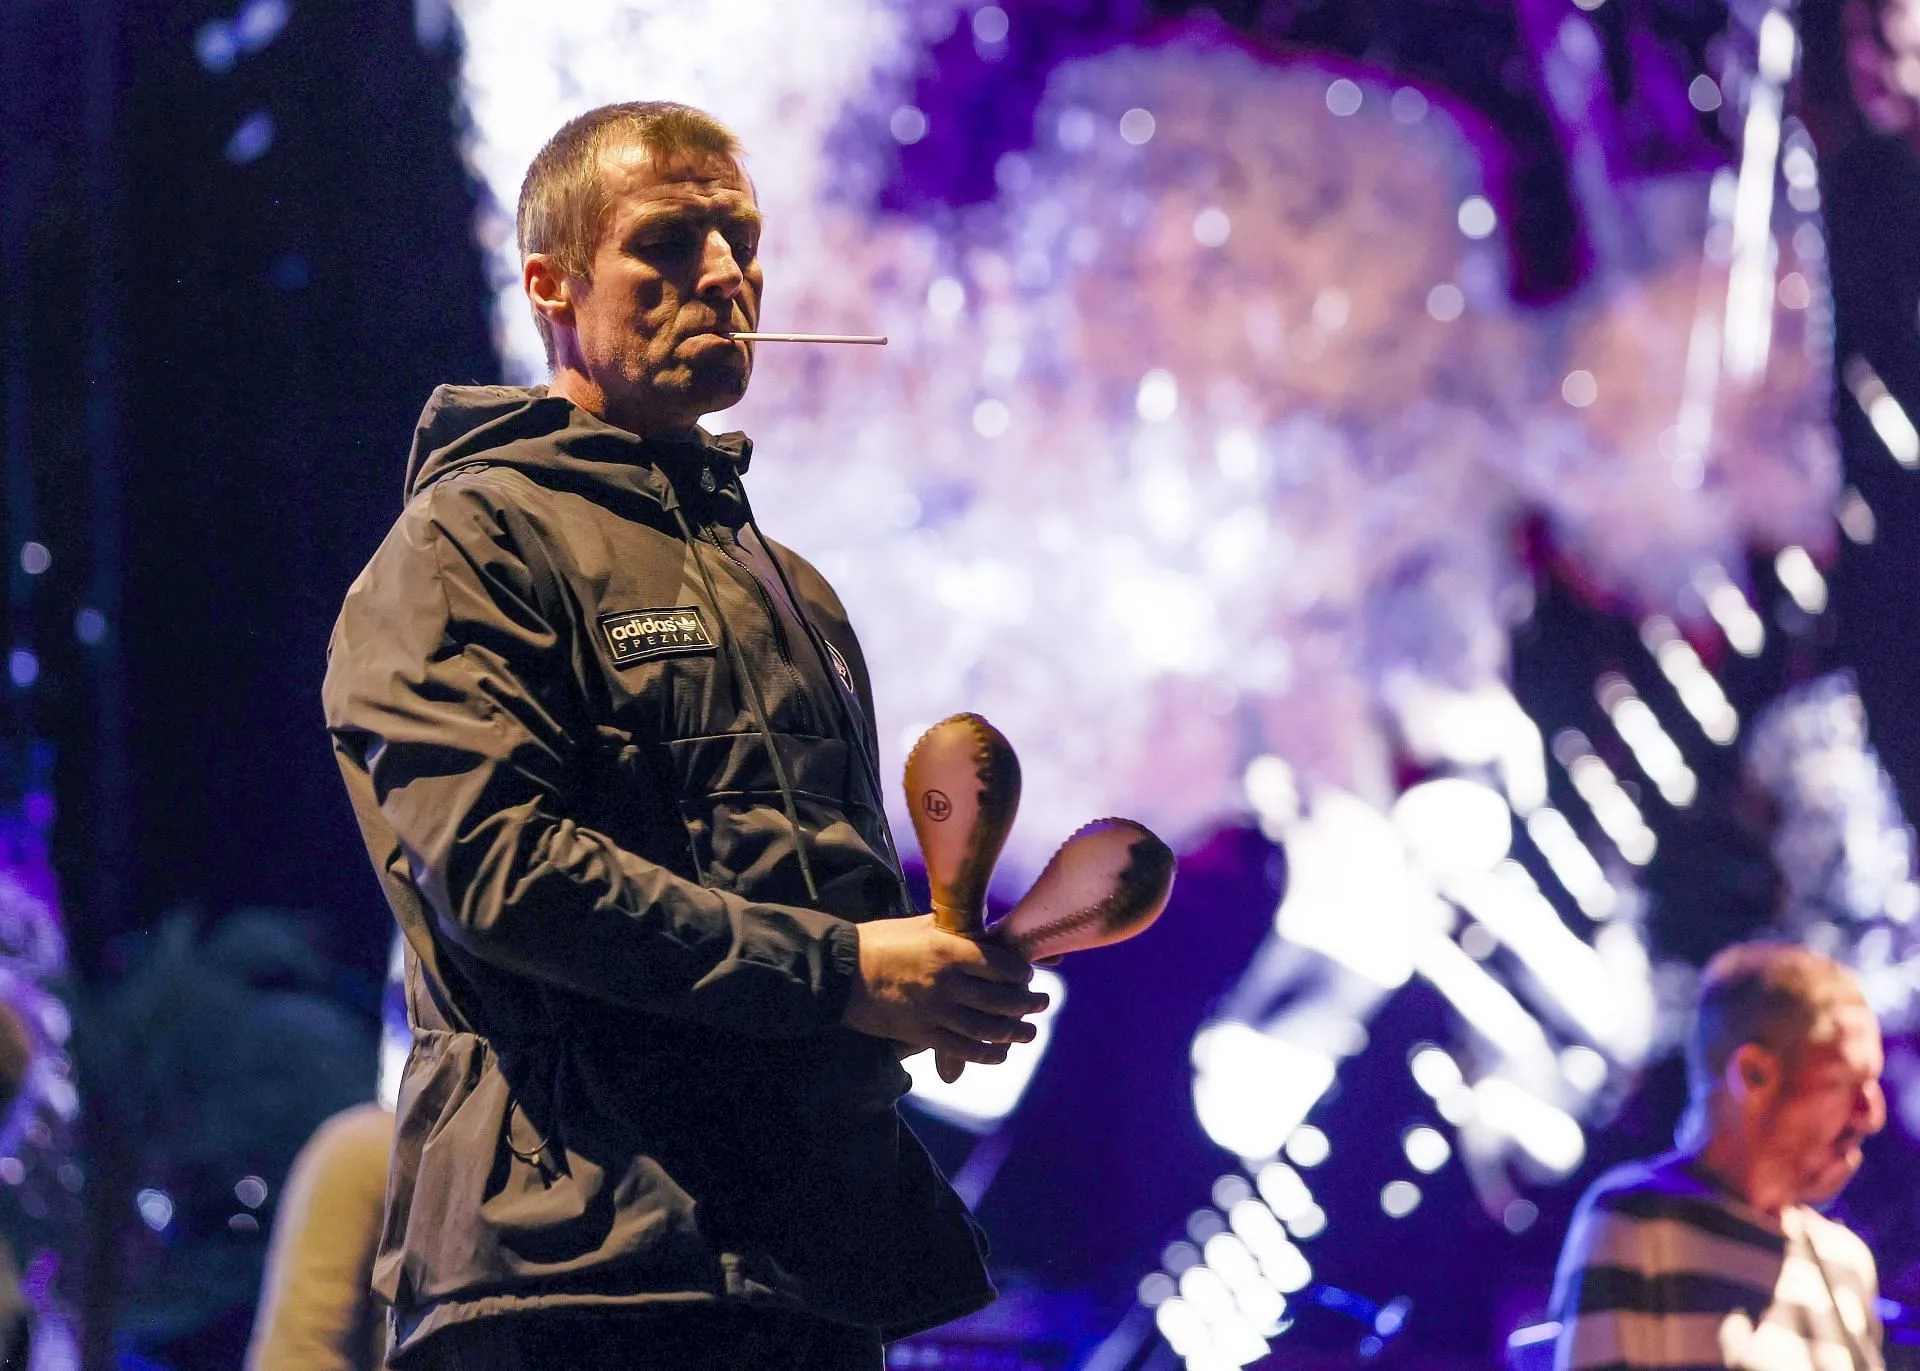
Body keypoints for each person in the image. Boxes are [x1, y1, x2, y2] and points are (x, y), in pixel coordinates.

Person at [321, 101, 1049, 1371]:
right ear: (550, 285)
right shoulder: (467, 544)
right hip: (574, 1281)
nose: (723, 276)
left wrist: (931, 987)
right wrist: (844, 972)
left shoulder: (793, 589)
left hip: (804, 1278)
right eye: (668, 241)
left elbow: (824, 906)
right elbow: (505, 878)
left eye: (740, 239)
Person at [1549, 942, 1888, 1371]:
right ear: (1753, 1074)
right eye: (1848, 1082)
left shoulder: (1847, 1263)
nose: (1872, 1115)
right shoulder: (1638, 1221)